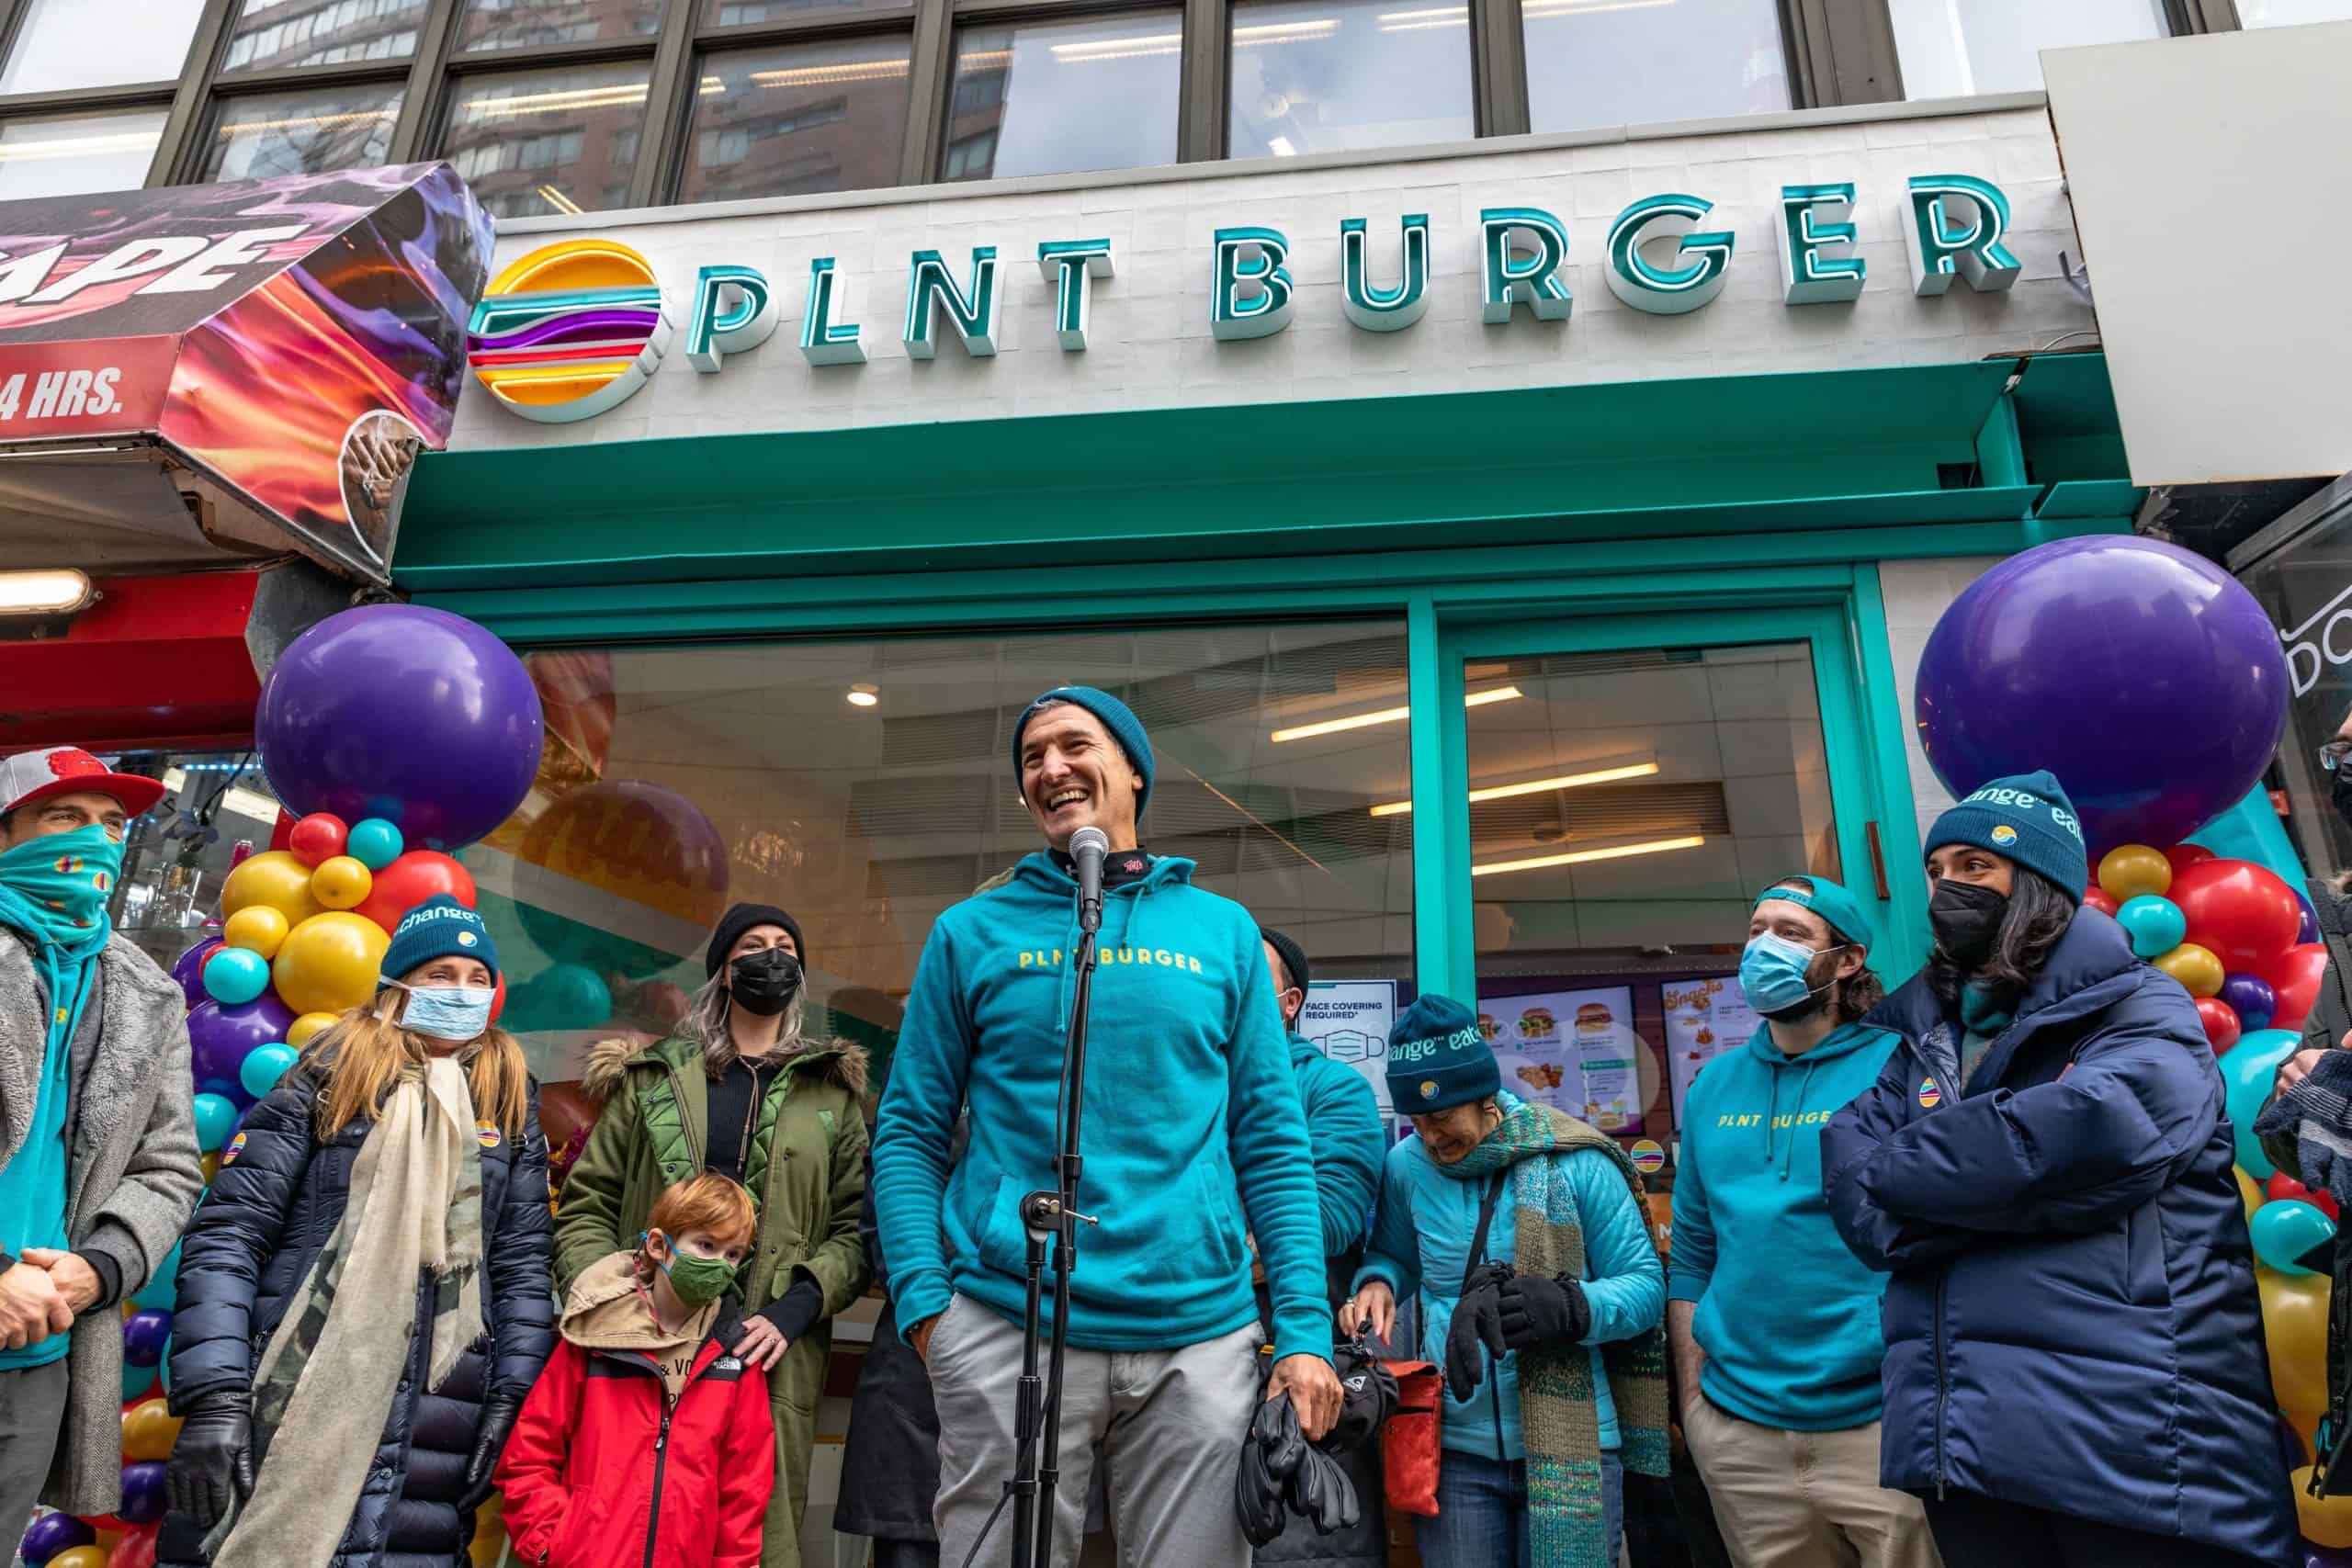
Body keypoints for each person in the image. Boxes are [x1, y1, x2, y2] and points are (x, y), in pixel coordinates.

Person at [872, 684, 1340, 1568]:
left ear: (1132, 769)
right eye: (1031, 758)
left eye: (1073, 745)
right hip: (1011, 1323)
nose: (1050, 768)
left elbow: (1274, 1145)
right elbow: (907, 1132)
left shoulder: (1224, 933)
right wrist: (928, 1311)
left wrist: (1306, 1330)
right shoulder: (971, 932)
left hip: (1197, 1337)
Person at [1822, 772, 2295, 1568]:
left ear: (2039, 883)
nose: (1947, 888)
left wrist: (1912, 1167)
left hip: (2134, 1457)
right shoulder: (1923, 1036)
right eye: (1937, 871)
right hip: (1963, 1453)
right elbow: (1851, 1182)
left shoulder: (2140, 1007)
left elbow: (2084, 1134)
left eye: (1976, 867)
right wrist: (1974, 1180)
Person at [159, 896, 555, 1568]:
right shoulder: (330, 1073)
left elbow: (520, 1265)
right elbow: (230, 1233)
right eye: (440, 974)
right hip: (284, 1391)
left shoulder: (508, 1099)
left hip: (438, 1419)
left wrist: (513, 1392)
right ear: (396, 984)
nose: (463, 991)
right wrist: (217, 1393)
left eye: (477, 977)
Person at [556, 902, 869, 1568]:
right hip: (639, 1345)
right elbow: (586, 1204)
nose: (772, 957)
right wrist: (612, 1297)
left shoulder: (832, 1094)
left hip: (766, 1351)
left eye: (786, 946)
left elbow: (854, 1228)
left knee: (748, 1537)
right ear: (725, 972)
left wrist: (798, 1307)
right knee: (624, 1522)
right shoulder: (652, 1078)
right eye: (753, 945)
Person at [1340, 992, 1668, 1568]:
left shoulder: (1578, 1160)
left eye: (1440, 1117)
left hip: (1576, 1445)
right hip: (1455, 1452)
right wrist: (1379, 1282)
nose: (1430, 1137)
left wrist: (1574, 1305)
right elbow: (1394, 1254)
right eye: (1415, 1122)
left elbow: (1645, 1286)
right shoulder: (1405, 1166)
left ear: (1483, 1095)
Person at [1667, 876, 1938, 1568]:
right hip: (1743, 1434)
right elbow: (1694, 1251)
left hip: (1882, 1423)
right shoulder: (1712, 1085)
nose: (1763, 947)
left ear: (1846, 960)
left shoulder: (1900, 1067)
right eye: (1756, 929)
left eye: (1791, 933)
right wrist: (1697, 1408)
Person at [0, 746, 201, 1556]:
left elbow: (170, 1162)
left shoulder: (148, 995)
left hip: (41, 1350)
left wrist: (99, 1268)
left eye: (113, 824)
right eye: (65, 817)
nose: (97, 841)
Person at [496, 1172, 776, 1568]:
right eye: (706, 1245)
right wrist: (552, 1542)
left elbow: (744, 1489)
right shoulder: (595, 1341)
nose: (720, 1266)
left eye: (733, 1254)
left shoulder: (734, 1358)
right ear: (661, 1246)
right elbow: (528, 1456)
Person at [1255, 925, 1386, 1568]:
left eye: (1255, 975)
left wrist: (1203, 1244)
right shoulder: (1191, 1088)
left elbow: (1329, 1215)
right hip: (1191, 1366)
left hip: (1302, 1369)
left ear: (1291, 1001)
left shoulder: (1333, 1089)